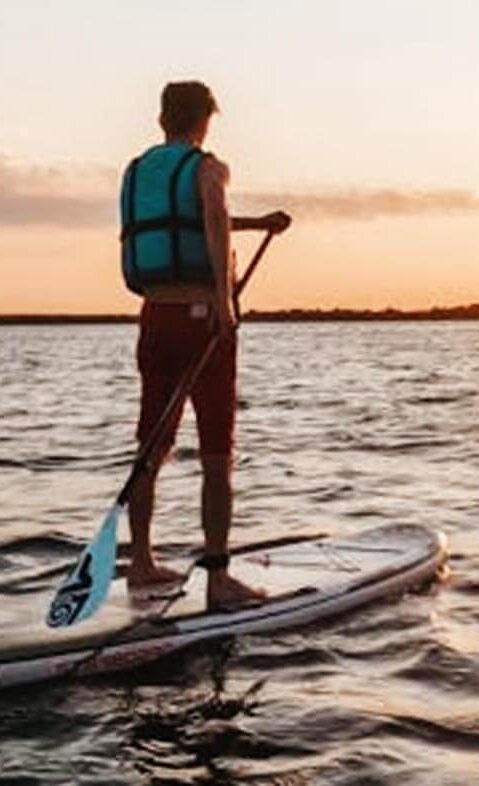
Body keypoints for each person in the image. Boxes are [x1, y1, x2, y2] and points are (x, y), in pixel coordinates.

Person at [119, 81, 291, 608]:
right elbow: (212, 216)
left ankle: (142, 564)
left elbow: (192, 220)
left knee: (151, 447)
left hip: (155, 317)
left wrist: (258, 224)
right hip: (201, 322)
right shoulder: (209, 166)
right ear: (205, 120)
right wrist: (224, 303)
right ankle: (218, 580)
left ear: (161, 119)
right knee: (218, 454)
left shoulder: (138, 170)